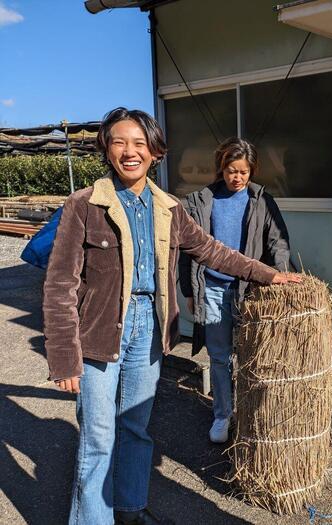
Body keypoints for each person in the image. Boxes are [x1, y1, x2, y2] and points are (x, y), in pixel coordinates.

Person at [43, 108, 300, 525]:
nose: (131, 152)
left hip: (149, 327)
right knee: (98, 438)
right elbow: (59, 285)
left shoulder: (168, 207)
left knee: (136, 428)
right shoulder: (85, 204)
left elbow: (213, 250)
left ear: (155, 152)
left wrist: (269, 274)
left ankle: (128, 509)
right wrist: (63, 355)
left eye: (140, 144)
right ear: (106, 149)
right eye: (120, 142)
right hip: (98, 330)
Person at [179, 137, 292, 443]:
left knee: (250, 356)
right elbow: (186, 247)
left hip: (249, 292)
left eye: (243, 171)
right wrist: (189, 289)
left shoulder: (262, 200)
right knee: (219, 356)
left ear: (252, 170)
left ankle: (249, 411)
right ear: (221, 168)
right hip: (213, 288)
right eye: (231, 170)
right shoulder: (203, 200)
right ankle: (222, 415)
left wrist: (280, 275)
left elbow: (277, 242)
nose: (237, 177)